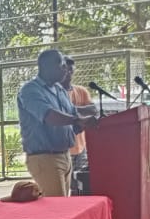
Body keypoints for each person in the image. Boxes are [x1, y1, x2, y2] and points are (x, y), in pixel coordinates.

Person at [17, 48, 100, 197]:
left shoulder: (60, 90)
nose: (66, 69)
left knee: (63, 203)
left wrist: (85, 122)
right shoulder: (30, 90)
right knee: (56, 205)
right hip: (45, 159)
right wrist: (78, 119)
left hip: (64, 155)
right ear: (47, 66)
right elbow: (50, 116)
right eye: (62, 65)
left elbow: (72, 114)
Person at [63, 56, 97, 191]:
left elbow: (93, 109)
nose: (69, 73)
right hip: (63, 149)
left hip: (81, 147)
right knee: (67, 185)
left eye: (71, 70)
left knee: (81, 184)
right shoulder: (55, 94)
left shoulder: (81, 91)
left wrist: (72, 111)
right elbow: (59, 113)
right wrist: (79, 112)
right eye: (66, 70)